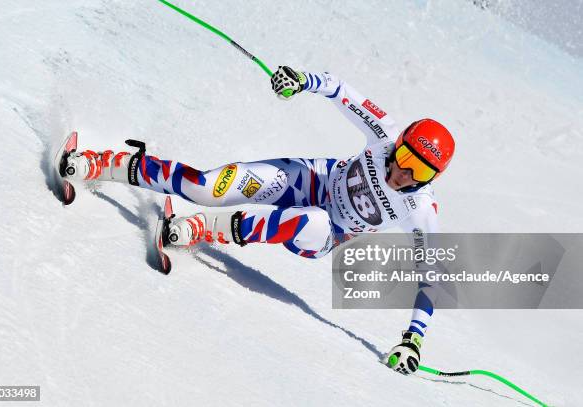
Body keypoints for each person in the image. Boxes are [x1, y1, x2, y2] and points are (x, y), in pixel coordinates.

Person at [61, 66, 455, 375]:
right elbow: (339, 89)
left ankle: (201, 228)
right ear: (398, 143)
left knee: (311, 221)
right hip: (310, 177)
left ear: (431, 179)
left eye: (418, 173)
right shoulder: (383, 134)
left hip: (326, 232)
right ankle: (101, 164)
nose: (402, 174)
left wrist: (413, 339)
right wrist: (302, 81)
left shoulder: (420, 210)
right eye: (403, 160)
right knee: (205, 187)